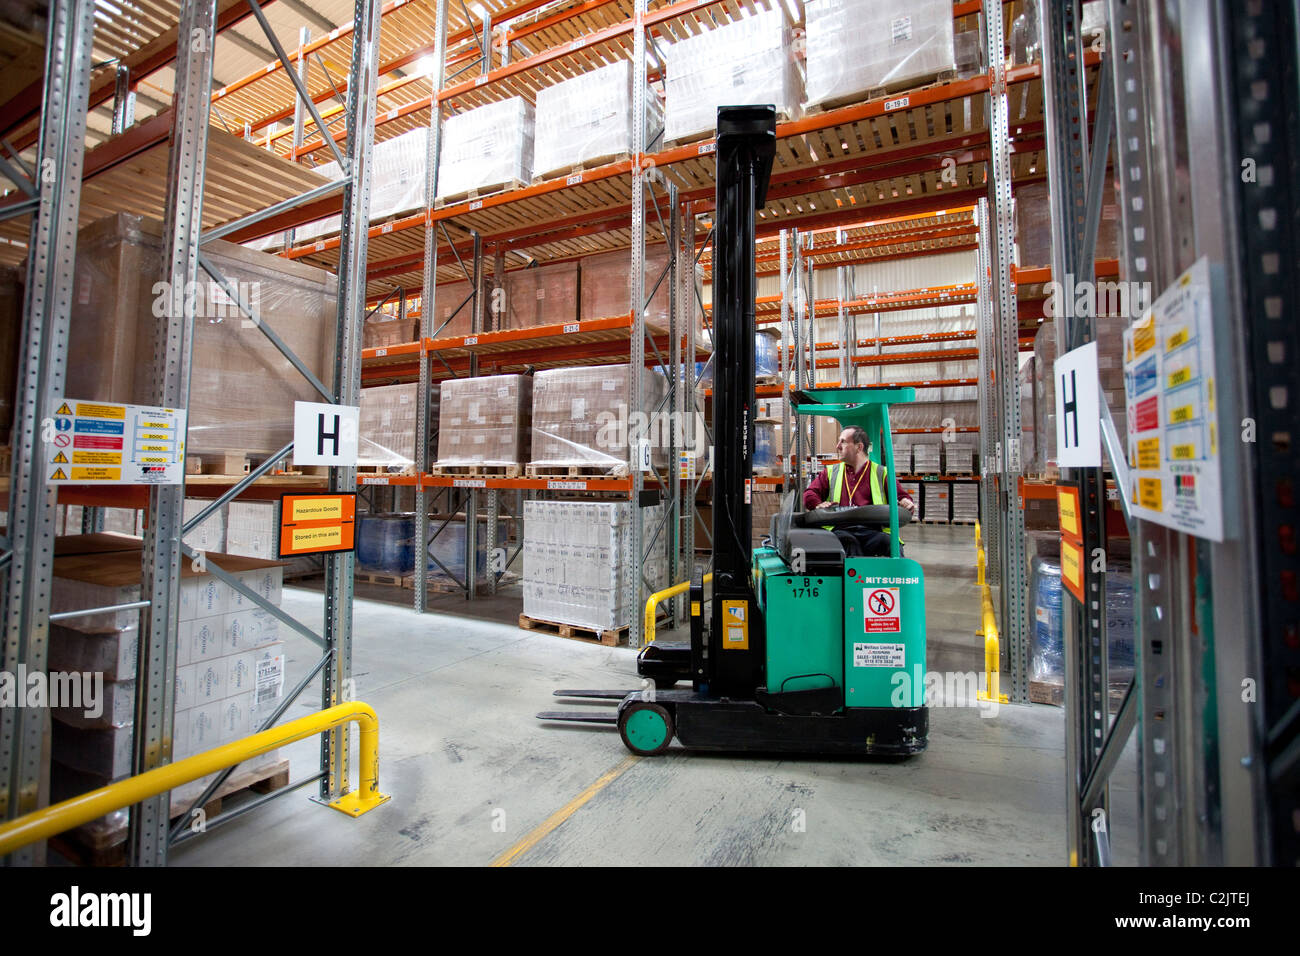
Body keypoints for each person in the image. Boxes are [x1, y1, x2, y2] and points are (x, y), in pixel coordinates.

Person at [802, 425, 915, 557]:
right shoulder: (831, 472)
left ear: (859, 447)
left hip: (872, 530)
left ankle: (895, 576)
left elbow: (902, 497)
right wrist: (817, 504)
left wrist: (906, 502)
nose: (838, 446)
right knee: (848, 543)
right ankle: (855, 578)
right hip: (841, 529)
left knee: (889, 543)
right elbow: (809, 494)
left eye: (843, 441)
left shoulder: (882, 473)